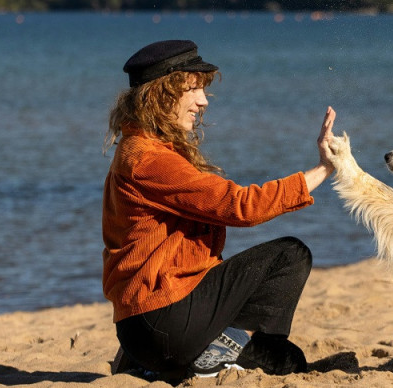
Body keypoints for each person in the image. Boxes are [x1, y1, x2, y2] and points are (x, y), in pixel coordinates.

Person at [102, 39, 337, 380]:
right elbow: (240, 206)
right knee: (290, 256)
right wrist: (323, 169)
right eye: (192, 89)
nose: (202, 101)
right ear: (160, 94)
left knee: (288, 358)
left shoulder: (139, 148)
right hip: (162, 322)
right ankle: (213, 355)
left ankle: (191, 354)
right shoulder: (149, 158)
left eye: (203, 90)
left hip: (144, 327)